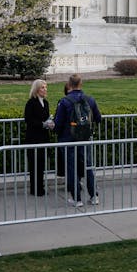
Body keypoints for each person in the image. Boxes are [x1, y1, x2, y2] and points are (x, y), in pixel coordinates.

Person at [54, 74, 102, 207]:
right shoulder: (90, 100)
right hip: (85, 139)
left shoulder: (64, 101)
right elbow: (98, 118)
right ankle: (94, 196)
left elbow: (58, 123)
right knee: (88, 167)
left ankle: (77, 198)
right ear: (81, 83)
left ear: (69, 84)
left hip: (68, 139)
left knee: (71, 169)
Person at [24, 79, 52, 196]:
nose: (45, 89)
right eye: (42, 87)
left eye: (45, 87)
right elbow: (29, 120)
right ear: (36, 89)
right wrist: (42, 124)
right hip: (33, 138)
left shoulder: (45, 103)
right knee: (34, 164)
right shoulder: (31, 102)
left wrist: (49, 123)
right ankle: (35, 189)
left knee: (41, 164)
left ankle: (41, 187)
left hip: (43, 137)